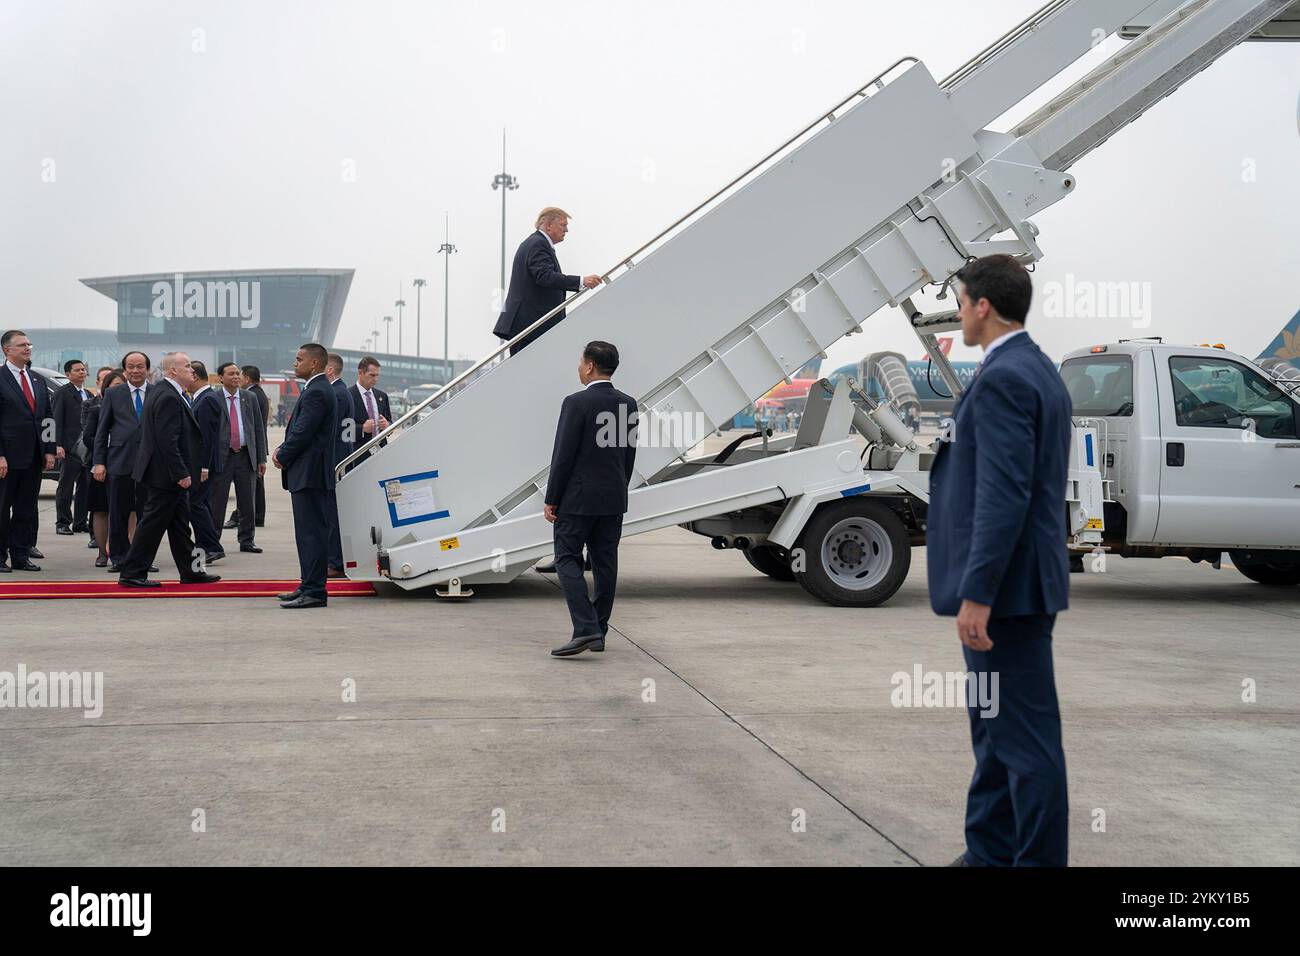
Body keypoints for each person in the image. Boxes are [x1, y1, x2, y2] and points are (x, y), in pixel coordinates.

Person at [926, 254, 1073, 868]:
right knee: (993, 736)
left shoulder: (1007, 378)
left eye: (961, 301)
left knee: (1027, 746)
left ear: (983, 305)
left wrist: (978, 593)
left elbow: (1004, 494)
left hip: (1007, 597)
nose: (958, 312)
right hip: (1019, 588)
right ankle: (987, 854)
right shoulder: (1036, 369)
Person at [544, 341, 638, 657]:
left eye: (580, 362)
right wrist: (618, 487)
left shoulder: (576, 403)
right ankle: (598, 629)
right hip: (613, 498)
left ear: (589, 366)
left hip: (578, 499)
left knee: (567, 558)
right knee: (605, 562)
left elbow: (563, 456)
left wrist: (552, 497)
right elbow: (628, 455)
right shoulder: (629, 404)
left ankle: (585, 629)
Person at [117, 352, 222, 589]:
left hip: (167, 473)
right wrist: (181, 473)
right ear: (173, 370)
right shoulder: (167, 396)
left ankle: (191, 571)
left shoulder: (169, 392)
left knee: (180, 526)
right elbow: (167, 440)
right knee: (152, 524)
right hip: (166, 475)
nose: (192, 370)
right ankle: (132, 572)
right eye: (186, 366)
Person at [272, 343, 336, 609]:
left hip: (310, 474)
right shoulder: (315, 388)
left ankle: (314, 591)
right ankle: (308, 585)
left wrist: (281, 455)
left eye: (299, 359)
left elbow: (303, 432)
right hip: (308, 474)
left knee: (311, 534)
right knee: (307, 533)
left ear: (313, 363)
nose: (295, 363)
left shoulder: (318, 392)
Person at [492, 207, 601, 355]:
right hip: (531, 324)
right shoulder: (538, 244)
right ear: (548, 225)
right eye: (563, 225)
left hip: (531, 324)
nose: (567, 230)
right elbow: (544, 276)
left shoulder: (535, 243)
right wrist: (582, 281)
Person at [0, 330, 56, 572]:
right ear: (7, 350)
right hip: (7, 458)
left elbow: (47, 419)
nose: (28, 348)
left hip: (33, 457)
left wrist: (50, 450)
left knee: (25, 509)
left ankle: (21, 555)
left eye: (29, 344)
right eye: (22, 345)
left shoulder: (36, 379)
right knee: (2, 508)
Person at [93, 350, 152, 572]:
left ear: (147, 368)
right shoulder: (113, 394)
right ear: (124, 369)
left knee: (147, 514)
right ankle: (119, 557)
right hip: (119, 461)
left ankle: (143, 558)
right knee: (117, 512)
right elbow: (102, 431)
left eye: (140, 367)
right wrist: (99, 462)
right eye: (131, 367)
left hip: (149, 463)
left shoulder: (157, 393)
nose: (136, 371)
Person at [207, 362, 267, 554]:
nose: (235, 377)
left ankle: (247, 540)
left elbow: (258, 428)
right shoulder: (213, 398)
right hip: (222, 457)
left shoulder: (249, 398)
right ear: (220, 378)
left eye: (237, 373)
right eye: (230, 374)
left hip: (245, 456)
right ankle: (213, 540)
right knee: (218, 502)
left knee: (247, 501)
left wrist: (261, 458)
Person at [82, 368, 123, 568]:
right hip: (102, 465)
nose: (119, 390)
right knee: (101, 510)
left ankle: (128, 551)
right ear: (106, 388)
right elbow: (89, 437)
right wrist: (107, 453)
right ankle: (102, 553)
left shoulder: (132, 408)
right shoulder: (96, 408)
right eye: (115, 386)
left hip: (125, 465)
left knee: (130, 510)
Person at [186, 361, 226, 564]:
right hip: (201, 463)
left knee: (195, 504)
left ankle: (212, 545)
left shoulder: (207, 399)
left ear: (194, 376)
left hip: (203, 464)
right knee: (201, 504)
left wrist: (203, 466)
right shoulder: (200, 398)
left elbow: (207, 437)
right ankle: (204, 544)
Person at [226, 365, 270, 530]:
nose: (238, 378)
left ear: (248, 379)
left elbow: (254, 426)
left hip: (252, 449)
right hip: (255, 447)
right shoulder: (259, 393)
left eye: (240, 375)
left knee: (252, 488)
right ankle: (255, 516)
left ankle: (251, 516)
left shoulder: (252, 396)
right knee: (255, 486)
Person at [53, 359, 91, 536]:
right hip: (69, 447)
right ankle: (62, 522)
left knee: (84, 487)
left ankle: (80, 522)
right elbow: (56, 420)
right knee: (66, 486)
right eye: (77, 370)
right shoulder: (63, 393)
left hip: (86, 449)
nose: (82, 372)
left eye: (83, 369)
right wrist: (57, 445)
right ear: (68, 374)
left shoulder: (89, 394)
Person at [324, 353, 352, 576]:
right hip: (339, 458)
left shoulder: (337, 393)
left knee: (333, 515)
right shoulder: (343, 391)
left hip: (335, 459)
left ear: (330, 370)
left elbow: (333, 432)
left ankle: (336, 562)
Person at [347, 356, 390, 460]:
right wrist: (362, 429)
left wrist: (387, 425)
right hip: (357, 455)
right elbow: (340, 428)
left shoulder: (382, 396)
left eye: (377, 375)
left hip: (381, 453)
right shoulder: (347, 395)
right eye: (372, 375)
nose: (375, 379)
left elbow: (390, 420)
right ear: (360, 373)